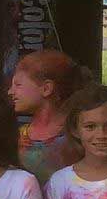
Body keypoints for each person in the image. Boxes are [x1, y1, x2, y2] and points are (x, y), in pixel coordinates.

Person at [8, 48, 86, 188]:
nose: (10, 92)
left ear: (46, 89)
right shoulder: (17, 137)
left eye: (18, 85)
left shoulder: (79, 134)